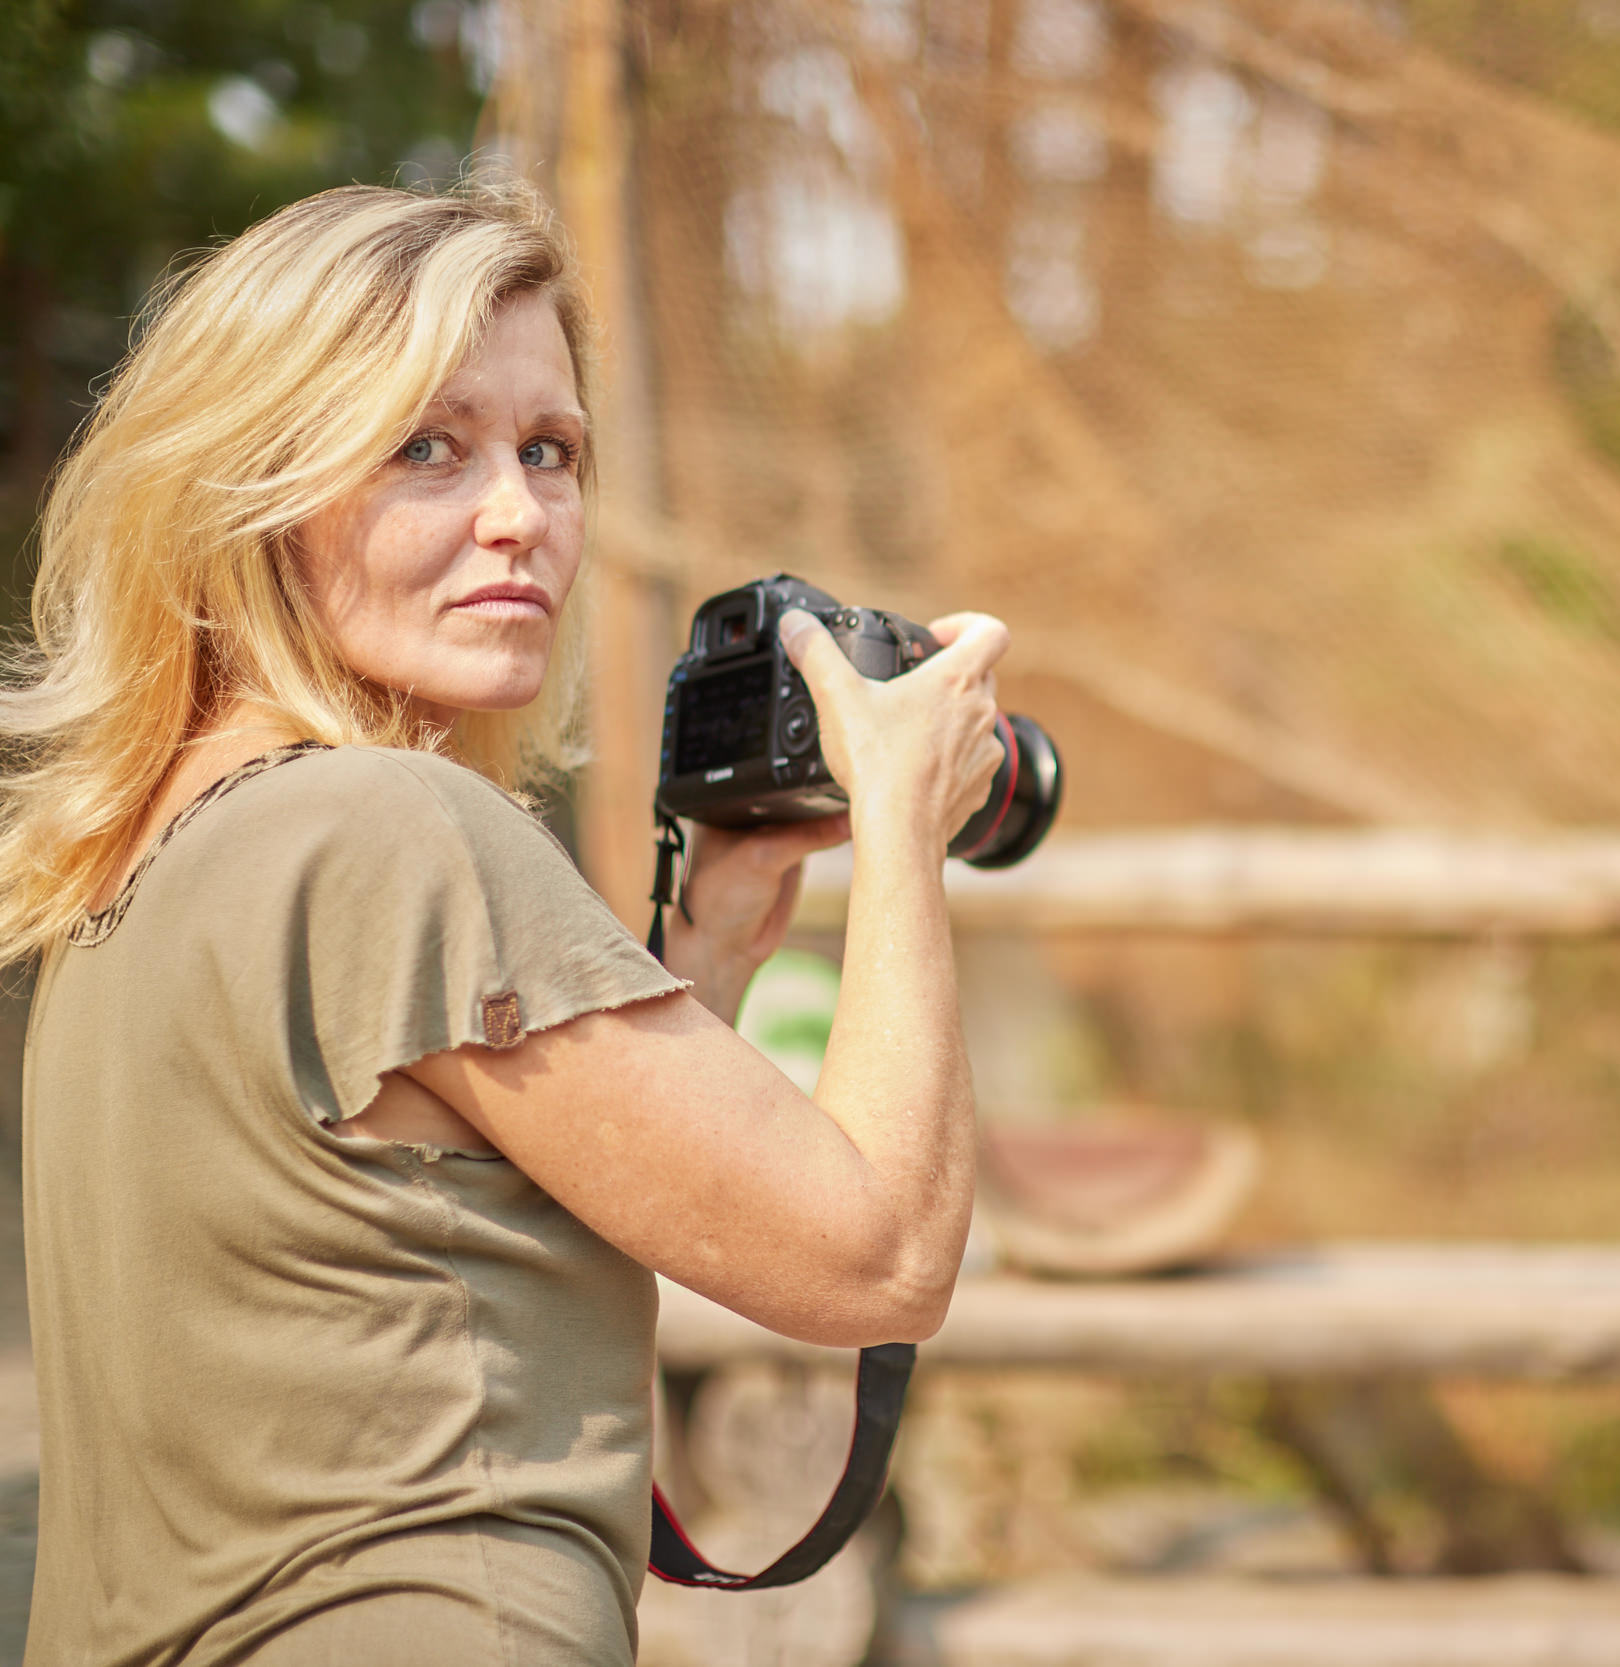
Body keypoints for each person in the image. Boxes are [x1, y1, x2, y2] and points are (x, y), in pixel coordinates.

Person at [3, 179, 1009, 1664]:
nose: (519, 514)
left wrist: (711, 940)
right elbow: (875, 1257)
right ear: (252, 484)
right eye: (429, 446)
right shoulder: (393, 823)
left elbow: (468, 1230)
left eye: (551, 450)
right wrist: (906, 833)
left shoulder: (138, 868)